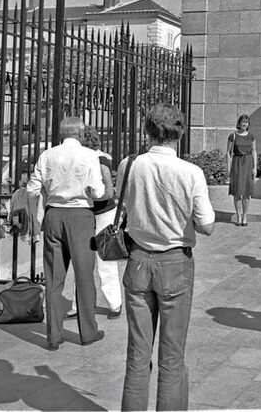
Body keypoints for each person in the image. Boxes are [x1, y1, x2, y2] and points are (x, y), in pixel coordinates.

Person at [119, 103, 215, 411]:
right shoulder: (191, 173)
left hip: (138, 257)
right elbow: (207, 225)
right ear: (180, 133)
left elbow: (125, 204)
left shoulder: (129, 165)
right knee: (172, 357)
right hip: (174, 259)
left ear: (147, 130)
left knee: (137, 354)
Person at [26, 117, 107, 350]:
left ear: (61, 134)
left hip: (54, 215)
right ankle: (88, 332)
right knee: (84, 277)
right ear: (81, 133)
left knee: (53, 279)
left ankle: (53, 336)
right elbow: (97, 190)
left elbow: (32, 189)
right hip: (80, 216)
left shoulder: (47, 155)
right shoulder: (89, 155)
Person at [64, 127, 122, 320]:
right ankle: (79, 304)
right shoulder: (87, 157)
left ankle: (114, 303)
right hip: (89, 212)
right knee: (82, 260)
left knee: (104, 261)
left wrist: (86, 196)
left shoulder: (99, 159)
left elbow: (108, 192)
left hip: (102, 212)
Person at [225, 114, 257, 227]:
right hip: (237, 163)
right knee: (238, 192)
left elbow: (254, 151)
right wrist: (228, 168)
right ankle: (238, 215)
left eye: (246, 122)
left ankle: (245, 215)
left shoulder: (251, 136)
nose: (244, 124)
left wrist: (255, 167)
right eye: (243, 122)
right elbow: (228, 153)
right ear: (239, 123)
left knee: (247, 193)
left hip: (248, 163)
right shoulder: (233, 136)